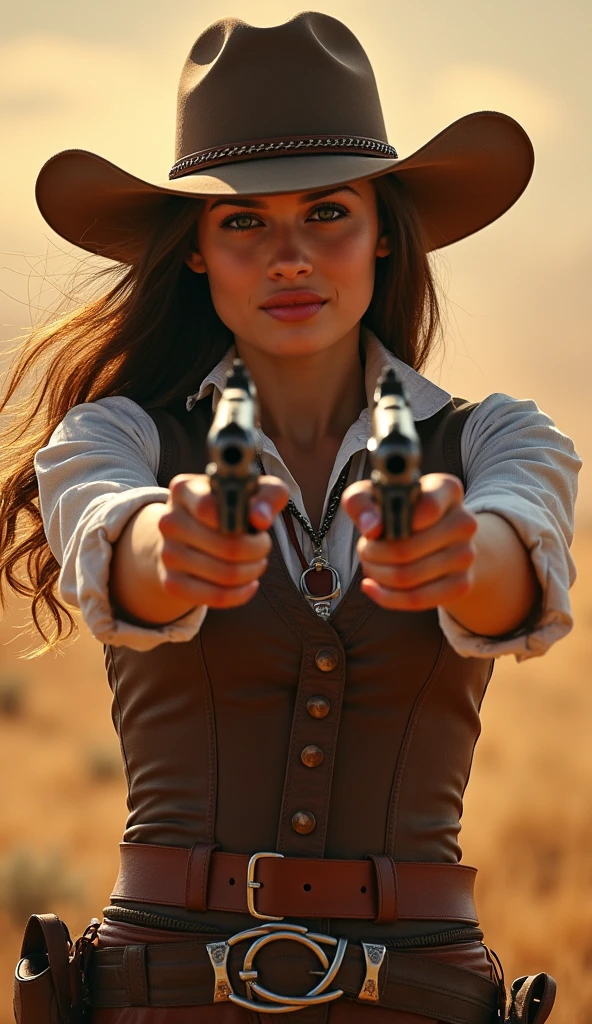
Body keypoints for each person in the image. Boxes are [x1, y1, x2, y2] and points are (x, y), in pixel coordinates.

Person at [2, 12, 579, 1024]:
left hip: (421, 993)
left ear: (383, 233)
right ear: (193, 253)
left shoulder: (499, 437)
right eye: (243, 222)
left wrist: (454, 551)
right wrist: (175, 546)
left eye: (326, 214)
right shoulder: (114, 436)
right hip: (165, 988)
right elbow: (119, 540)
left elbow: (512, 558)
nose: (290, 257)